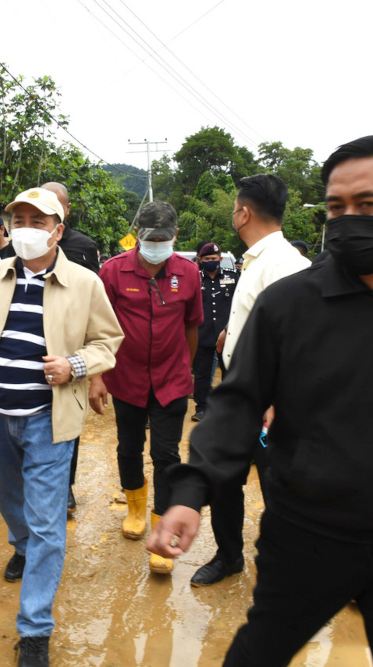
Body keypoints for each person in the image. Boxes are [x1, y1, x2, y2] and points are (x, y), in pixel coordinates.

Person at [149, 134, 373, 666]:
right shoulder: (290, 305)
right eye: (336, 207)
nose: (348, 219)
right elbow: (236, 404)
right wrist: (192, 491)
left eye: (367, 206)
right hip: (304, 537)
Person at [0, 187, 123, 667]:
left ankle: (35, 628)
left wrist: (76, 366)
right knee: (7, 500)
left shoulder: (85, 283)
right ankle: (22, 545)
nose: (25, 228)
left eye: (37, 221)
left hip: (48, 421)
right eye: (18, 218)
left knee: (47, 524)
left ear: (58, 230)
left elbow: (108, 341)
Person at [195, 175, 311, 588]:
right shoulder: (255, 260)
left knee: (278, 486)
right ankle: (229, 556)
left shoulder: (284, 264)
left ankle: (287, 567)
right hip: (241, 388)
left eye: (233, 210)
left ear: (243, 213)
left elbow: (298, 339)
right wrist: (232, 333)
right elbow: (263, 320)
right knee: (226, 480)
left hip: (270, 398)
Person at [98, 200, 203, 575]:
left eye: (162, 237)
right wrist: (98, 375)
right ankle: (136, 510)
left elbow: (192, 326)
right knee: (128, 448)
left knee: (166, 455)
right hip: (126, 379)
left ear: (175, 235)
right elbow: (100, 329)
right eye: (149, 237)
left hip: (171, 380)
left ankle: (162, 529)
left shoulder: (189, 273)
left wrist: (184, 369)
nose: (156, 243)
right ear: (137, 235)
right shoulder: (112, 271)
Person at [39, 181, 100, 516]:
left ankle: (65, 488)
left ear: (67, 210)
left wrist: (93, 368)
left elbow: (93, 305)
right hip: (31, 346)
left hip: (68, 351)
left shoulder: (83, 246)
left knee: (66, 421)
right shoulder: (21, 247)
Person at [192, 242, 237, 422]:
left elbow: (239, 304)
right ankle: (201, 408)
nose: (211, 261)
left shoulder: (233, 277)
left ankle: (226, 407)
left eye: (214, 258)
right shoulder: (195, 278)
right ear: (200, 260)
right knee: (202, 373)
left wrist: (229, 329)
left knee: (229, 372)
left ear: (220, 259)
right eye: (207, 259)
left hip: (227, 334)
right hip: (202, 333)